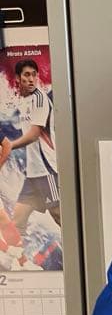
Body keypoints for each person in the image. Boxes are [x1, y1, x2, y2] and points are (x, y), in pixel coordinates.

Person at [0, 59, 61, 270]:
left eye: (34, 74)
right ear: (17, 78)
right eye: (26, 75)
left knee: (60, 216)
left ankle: (81, 254)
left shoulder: (39, 99)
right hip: (32, 174)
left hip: (47, 170)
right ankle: (22, 264)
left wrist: (9, 146)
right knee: (17, 221)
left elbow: (34, 134)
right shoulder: (22, 101)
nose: (31, 79)